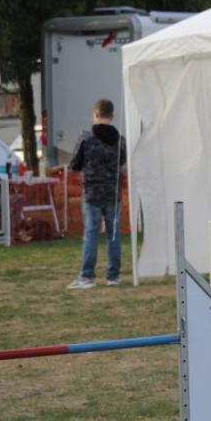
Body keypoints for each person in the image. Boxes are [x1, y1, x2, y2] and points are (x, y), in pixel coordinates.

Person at [66, 99, 126, 289]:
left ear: (96, 114)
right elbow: (122, 163)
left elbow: (74, 164)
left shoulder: (86, 138)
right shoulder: (120, 140)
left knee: (91, 233)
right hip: (113, 193)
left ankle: (87, 276)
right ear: (112, 116)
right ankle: (113, 276)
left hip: (92, 193)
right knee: (113, 234)